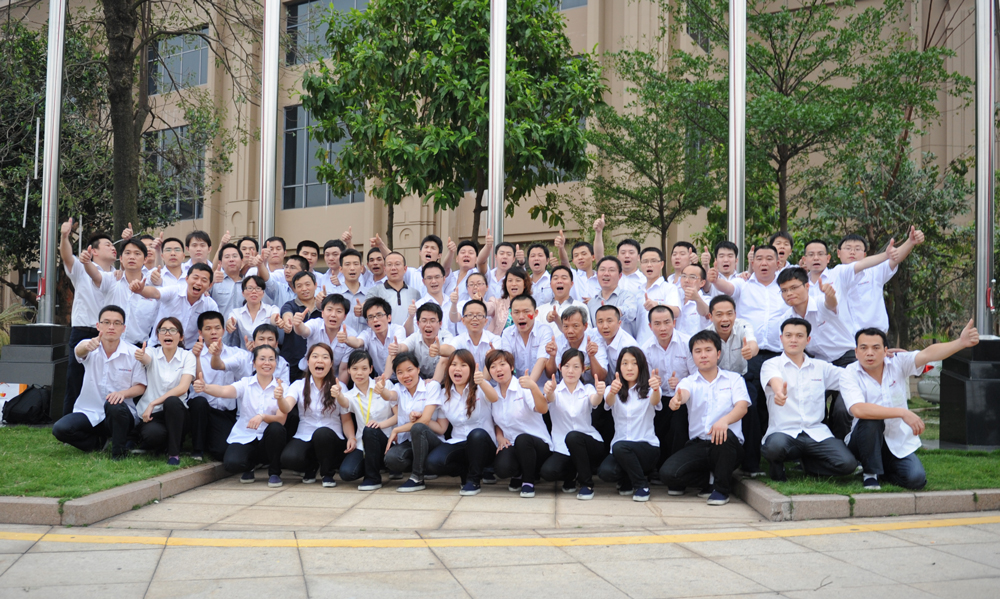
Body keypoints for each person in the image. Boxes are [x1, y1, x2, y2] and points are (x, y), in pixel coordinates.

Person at [841, 321, 979, 490]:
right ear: (856, 352)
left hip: (896, 442)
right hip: (862, 441)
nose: (869, 353)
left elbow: (927, 354)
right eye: (863, 348)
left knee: (916, 480)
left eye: (876, 348)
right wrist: (902, 413)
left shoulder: (898, 363)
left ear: (885, 351)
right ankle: (870, 474)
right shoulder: (849, 373)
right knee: (871, 419)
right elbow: (858, 409)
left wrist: (961, 343)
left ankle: (881, 470)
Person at [712, 245, 784, 475]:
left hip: (776, 354)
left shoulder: (783, 286)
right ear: (752, 263)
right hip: (744, 363)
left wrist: (751, 349)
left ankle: (776, 456)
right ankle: (747, 461)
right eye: (759, 258)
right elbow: (727, 287)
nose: (764, 262)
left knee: (773, 404)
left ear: (778, 263)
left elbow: (751, 340)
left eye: (769, 258)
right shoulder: (743, 284)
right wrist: (714, 278)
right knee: (751, 405)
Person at [760, 318, 858, 481]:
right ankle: (777, 468)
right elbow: (775, 380)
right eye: (788, 335)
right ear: (781, 338)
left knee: (848, 464)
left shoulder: (821, 367)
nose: (793, 340)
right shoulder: (771, 364)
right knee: (774, 448)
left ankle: (809, 465)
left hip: (816, 432)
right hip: (784, 432)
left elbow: (850, 377)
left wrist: (880, 360)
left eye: (799, 336)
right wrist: (779, 392)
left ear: (808, 340)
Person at [661, 330, 751, 506]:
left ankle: (721, 490)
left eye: (708, 350)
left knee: (723, 436)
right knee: (669, 474)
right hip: (699, 445)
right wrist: (677, 400)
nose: (703, 355)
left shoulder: (734, 379)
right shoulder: (688, 382)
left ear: (718, 354)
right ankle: (710, 478)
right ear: (692, 356)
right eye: (698, 351)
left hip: (727, 445)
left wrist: (724, 421)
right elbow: (682, 394)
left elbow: (742, 407)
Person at [52, 305, 148, 459]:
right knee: (60, 429)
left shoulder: (133, 353)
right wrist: (86, 346)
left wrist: (122, 394)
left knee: (114, 405)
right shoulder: (90, 346)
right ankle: (96, 443)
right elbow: (79, 351)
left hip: (120, 415)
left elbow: (141, 386)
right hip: (90, 412)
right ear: (98, 326)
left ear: (123, 328)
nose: (111, 327)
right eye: (106, 322)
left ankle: (118, 453)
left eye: (117, 323)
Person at [777, 266, 857, 439]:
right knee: (812, 407)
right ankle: (821, 446)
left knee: (842, 409)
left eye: (794, 287)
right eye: (784, 290)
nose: (789, 293)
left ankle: (844, 449)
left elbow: (831, 303)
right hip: (818, 364)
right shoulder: (786, 319)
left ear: (807, 286)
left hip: (847, 360)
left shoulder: (820, 302)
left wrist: (829, 294)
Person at [194, 344, 288, 487]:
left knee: (276, 428)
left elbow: (281, 419)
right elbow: (224, 391)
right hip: (246, 435)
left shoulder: (282, 387)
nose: (267, 363)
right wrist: (205, 387)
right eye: (262, 359)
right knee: (232, 463)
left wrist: (262, 416)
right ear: (254, 363)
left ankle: (274, 472)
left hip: (268, 438)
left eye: (271, 359)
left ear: (276, 363)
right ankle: (249, 466)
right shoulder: (246, 383)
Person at [60, 219, 117, 415]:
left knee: (106, 380)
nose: (113, 248)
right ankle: (69, 422)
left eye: (113, 245)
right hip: (83, 331)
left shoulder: (118, 275)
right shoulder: (81, 268)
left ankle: (102, 421)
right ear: (94, 251)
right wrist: (64, 236)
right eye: (107, 245)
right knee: (76, 379)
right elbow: (67, 256)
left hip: (110, 333)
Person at [278, 343, 356, 487]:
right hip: (305, 435)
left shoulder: (339, 387)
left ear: (331, 364)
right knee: (289, 458)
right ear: (308, 362)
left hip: (331, 438)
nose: (320, 360)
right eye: (315, 356)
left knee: (322, 434)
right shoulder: (298, 385)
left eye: (325, 357)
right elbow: (286, 407)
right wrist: (279, 399)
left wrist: (351, 437)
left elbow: (346, 419)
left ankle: (327, 473)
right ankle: (311, 467)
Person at [425, 350, 498, 495]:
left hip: (483, 445)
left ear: (471, 369)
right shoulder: (444, 394)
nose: (457, 369)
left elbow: (494, 397)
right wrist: (422, 419)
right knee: (433, 463)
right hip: (458, 442)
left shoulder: (480, 387)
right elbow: (441, 428)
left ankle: (473, 480)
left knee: (476, 434)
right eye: (453, 365)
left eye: (463, 365)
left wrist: (482, 381)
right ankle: (465, 472)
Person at [483, 349, 553, 498]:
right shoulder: (493, 394)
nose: (498, 369)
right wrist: (500, 437)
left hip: (536, 445)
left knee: (523, 439)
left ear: (512, 367)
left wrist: (533, 387)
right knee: (502, 469)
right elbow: (496, 422)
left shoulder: (523, 387)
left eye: (502, 364)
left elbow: (543, 409)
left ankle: (528, 481)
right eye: (493, 366)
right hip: (512, 443)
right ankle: (519, 473)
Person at [596, 347, 663, 502]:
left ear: (641, 366)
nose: (629, 368)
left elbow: (655, 401)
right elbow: (609, 402)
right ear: (619, 367)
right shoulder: (612, 389)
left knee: (620, 447)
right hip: (621, 450)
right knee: (606, 472)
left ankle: (641, 486)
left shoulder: (649, 389)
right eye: (625, 363)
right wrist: (613, 392)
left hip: (646, 447)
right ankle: (627, 479)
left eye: (634, 363)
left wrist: (656, 389)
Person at [539, 349, 607, 499]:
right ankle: (571, 474)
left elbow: (594, 400)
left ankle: (586, 484)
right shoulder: (555, 390)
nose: (571, 371)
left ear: (583, 370)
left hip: (588, 443)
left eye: (576, 367)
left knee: (574, 437)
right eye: (567, 366)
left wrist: (600, 393)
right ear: (560, 367)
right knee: (548, 472)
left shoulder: (588, 389)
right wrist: (548, 391)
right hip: (562, 446)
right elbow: (550, 398)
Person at [377, 352, 448, 492]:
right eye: (400, 372)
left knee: (418, 427)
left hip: (431, 441)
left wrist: (397, 429)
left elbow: (425, 420)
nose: (406, 375)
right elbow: (390, 396)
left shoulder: (431, 387)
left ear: (418, 369)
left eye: (409, 370)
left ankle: (417, 478)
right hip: (408, 442)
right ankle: (423, 467)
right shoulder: (398, 388)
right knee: (392, 459)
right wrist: (382, 391)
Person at [706, 294, 761, 473]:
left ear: (735, 314)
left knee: (751, 409)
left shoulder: (743, 326)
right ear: (710, 316)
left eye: (729, 313)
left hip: (742, 378)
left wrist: (750, 350)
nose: (725, 319)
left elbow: (753, 344)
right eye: (719, 314)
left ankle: (751, 465)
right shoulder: (707, 335)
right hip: (716, 380)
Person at [133, 317, 197, 465]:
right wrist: (141, 356)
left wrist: (153, 403)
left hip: (177, 413)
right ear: (158, 336)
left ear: (181, 337)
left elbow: (183, 388)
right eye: (163, 330)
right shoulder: (151, 352)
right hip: (154, 415)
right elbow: (146, 358)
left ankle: (174, 454)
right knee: (153, 435)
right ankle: (161, 444)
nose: (167, 333)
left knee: (172, 401)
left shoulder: (188, 356)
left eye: (173, 330)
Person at [834, 227, 923, 332]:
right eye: (848, 248)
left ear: (864, 254)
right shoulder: (831, 276)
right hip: (846, 338)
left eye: (857, 249)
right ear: (838, 253)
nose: (852, 252)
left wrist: (910, 242)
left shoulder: (874, 271)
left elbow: (895, 258)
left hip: (875, 335)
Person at [641, 306, 696, 466]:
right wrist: (653, 383)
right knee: (656, 426)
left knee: (678, 427)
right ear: (650, 326)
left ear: (674, 322)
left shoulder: (687, 343)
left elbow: (696, 376)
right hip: (658, 398)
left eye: (667, 322)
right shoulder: (645, 349)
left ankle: (676, 467)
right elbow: (645, 381)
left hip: (683, 397)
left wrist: (681, 383)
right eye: (657, 324)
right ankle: (657, 467)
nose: (663, 328)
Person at [335, 350, 399, 486]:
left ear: (371, 369)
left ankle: (372, 479)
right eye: (355, 368)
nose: (359, 373)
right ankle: (376, 465)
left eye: (364, 368)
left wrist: (380, 425)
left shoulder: (384, 385)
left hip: (386, 441)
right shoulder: (350, 395)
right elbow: (345, 404)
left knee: (370, 430)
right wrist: (338, 395)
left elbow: (398, 416)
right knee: (347, 473)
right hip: (363, 444)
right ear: (348, 370)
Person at [187, 312, 241, 461]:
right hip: (201, 410)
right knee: (199, 402)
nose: (213, 332)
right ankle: (197, 450)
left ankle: (210, 441)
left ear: (223, 330)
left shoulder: (235, 354)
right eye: (208, 328)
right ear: (200, 332)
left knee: (222, 451)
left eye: (217, 328)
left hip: (224, 411)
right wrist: (197, 357)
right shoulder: (191, 354)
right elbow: (195, 382)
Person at [86, 238, 158, 347]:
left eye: (137, 253)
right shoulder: (112, 279)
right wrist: (87, 263)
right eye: (127, 253)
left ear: (145, 259)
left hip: (138, 348)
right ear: (121, 258)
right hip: (109, 346)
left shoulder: (152, 287)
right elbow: (95, 275)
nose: (132, 257)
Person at [136, 262, 218, 348]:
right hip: (159, 346)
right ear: (187, 278)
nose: (198, 283)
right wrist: (141, 290)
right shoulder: (175, 291)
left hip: (187, 350)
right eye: (195, 278)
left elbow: (215, 327)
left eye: (204, 280)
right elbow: (156, 293)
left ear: (210, 285)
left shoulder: (210, 305)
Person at [292, 294, 360, 380]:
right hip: (307, 373)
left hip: (333, 378)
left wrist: (339, 387)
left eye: (339, 311)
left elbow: (343, 369)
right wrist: (298, 324)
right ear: (322, 313)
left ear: (345, 316)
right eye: (329, 310)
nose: (333, 315)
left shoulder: (350, 335)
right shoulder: (315, 324)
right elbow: (303, 331)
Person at [544, 306, 607, 386]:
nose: (570, 331)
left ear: (585, 326)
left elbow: (601, 377)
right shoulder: (558, 341)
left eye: (575, 326)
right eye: (566, 326)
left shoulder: (595, 341)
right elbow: (550, 374)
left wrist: (592, 356)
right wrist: (552, 356)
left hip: (591, 388)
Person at [279, 270, 322, 381]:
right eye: (299, 286)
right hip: (293, 362)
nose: (304, 289)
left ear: (315, 285)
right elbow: (287, 315)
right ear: (294, 289)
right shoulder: (290, 305)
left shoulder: (324, 308)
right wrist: (289, 323)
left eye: (307, 284)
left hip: (318, 362)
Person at [500, 294, 553, 383]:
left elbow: (542, 360)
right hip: (518, 386)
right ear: (511, 314)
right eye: (516, 312)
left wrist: (529, 386)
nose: (521, 317)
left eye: (526, 311)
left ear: (535, 313)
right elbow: (507, 362)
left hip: (543, 387)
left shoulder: (545, 331)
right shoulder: (507, 333)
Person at [636, 247, 681, 345]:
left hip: (662, 344)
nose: (649, 265)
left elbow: (676, 312)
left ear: (662, 264)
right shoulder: (638, 291)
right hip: (641, 344)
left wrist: (658, 305)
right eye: (645, 261)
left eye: (653, 261)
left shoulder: (669, 288)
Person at [588, 256, 640, 339]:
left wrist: (614, 311)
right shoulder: (592, 303)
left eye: (611, 270)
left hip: (624, 346)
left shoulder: (628, 296)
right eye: (602, 270)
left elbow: (631, 313)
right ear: (597, 275)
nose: (606, 273)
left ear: (620, 276)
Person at [355, 297, 407, 377]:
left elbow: (393, 353)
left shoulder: (398, 329)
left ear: (389, 318)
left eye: (379, 315)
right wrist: (346, 339)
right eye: (371, 317)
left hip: (402, 378)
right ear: (367, 322)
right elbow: (357, 342)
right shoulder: (367, 333)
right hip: (379, 378)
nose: (375, 320)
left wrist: (384, 378)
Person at [226, 275, 281, 350]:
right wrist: (230, 324)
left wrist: (277, 321)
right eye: (250, 288)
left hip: (269, 353)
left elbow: (274, 318)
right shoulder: (236, 312)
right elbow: (231, 320)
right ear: (243, 293)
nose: (254, 291)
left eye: (258, 288)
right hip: (246, 353)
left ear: (263, 293)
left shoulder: (272, 309)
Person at [366, 252, 423, 324]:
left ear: (405, 269)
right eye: (389, 265)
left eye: (397, 264)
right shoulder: (375, 292)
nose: (393, 268)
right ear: (385, 269)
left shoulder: (415, 293)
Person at [399, 303, 453, 379]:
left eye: (432, 321)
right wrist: (397, 348)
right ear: (418, 323)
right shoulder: (415, 336)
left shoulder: (447, 336)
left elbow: (450, 350)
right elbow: (403, 346)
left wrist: (439, 350)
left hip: (443, 381)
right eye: (424, 321)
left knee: (445, 358)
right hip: (419, 380)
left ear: (440, 323)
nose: (428, 325)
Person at [442, 299, 502, 366]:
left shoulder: (495, 340)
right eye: (470, 315)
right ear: (463, 320)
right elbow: (451, 349)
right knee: (444, 359)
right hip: (465, 373)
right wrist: (438, 349)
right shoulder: (459, 339)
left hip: (488, 372)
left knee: (492, 359)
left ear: (485, 321)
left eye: (479, 315)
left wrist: (494, 355)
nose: (475, 319)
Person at [536, 266, 588, 333]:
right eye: (555, 278)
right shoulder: (540, 310)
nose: (559, 281)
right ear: (550, 284)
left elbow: (587, 333)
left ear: (571, 284)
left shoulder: (582, 307)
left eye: (564, 278)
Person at [331, 249, 368, 333]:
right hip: (341, 340)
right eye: (347, 264)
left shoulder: (370, 295)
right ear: (340, 269)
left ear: (361, 268)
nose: (352, 268)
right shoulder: (333, 294)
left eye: (356, 264)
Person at [410, 262, 451, 336]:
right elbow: (411, 333)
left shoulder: (453, 303)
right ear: (423, 281)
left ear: (444, 279)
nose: (434, 281)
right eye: (429, 278)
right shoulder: (418, 306)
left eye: (437, 277)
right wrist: (410, 317)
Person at [487, 267, 532, 335]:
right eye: (510, 280)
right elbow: (487, 308)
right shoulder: (497, 303)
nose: (513, 284)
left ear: (524, 284)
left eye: (518, 280)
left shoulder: (530, 305)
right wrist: (479, 301)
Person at [448, 272, 491, 336]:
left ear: (487, 287)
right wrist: (454, 304)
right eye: (471, 284)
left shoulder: (490, 305)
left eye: (479, 284)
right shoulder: (462, 304)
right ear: (467, 288)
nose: (475, 287)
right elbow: (454, 318)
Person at [210, 244, 245, 321]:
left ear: (242, 261)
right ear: (220, 263)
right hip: (220, 327)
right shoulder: (214, 282)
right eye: (227, 257)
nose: (231, 260)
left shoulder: (248, 284)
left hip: (242, 328)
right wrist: (211, 282)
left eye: (235, 256)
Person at [675, 264, 711, 337]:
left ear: (702, 283)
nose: (686, 280)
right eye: (684, 276)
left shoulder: (707, 300)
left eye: (692, 277)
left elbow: (706, 313)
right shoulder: (676, 299)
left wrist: (697, 299)